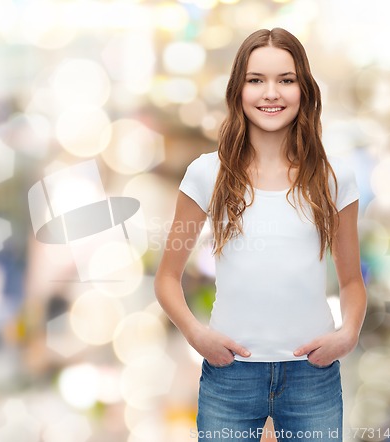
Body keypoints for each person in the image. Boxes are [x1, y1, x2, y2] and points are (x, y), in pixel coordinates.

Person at [154, 28, 367, 442]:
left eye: (285, 80)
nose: (272, 93)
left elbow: (351, 281)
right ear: (238, 90)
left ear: (304, 89)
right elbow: (166, 278)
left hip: (313, 375)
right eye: (257, 80)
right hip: (229, 374)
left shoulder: (334, 177)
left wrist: (348, 334)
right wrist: (198, 335)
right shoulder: (206, 173)